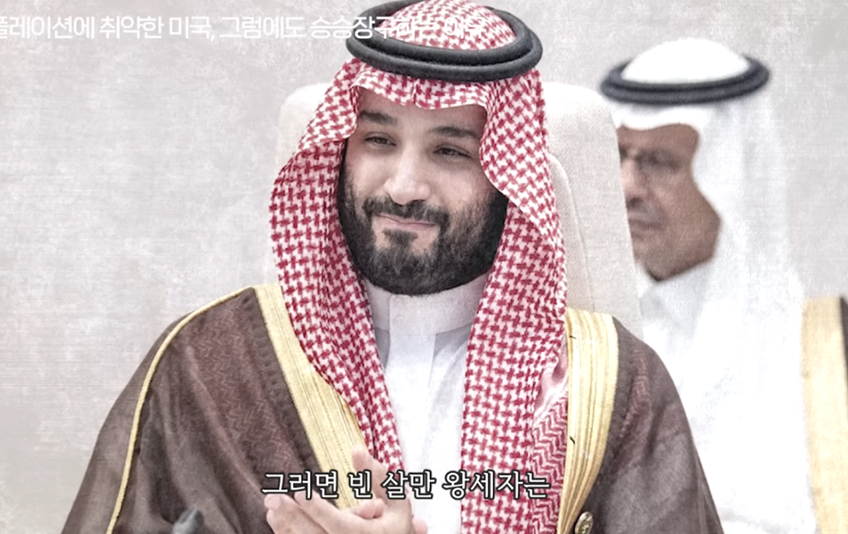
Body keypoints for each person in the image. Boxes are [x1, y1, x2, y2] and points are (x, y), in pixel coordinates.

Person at [63, 3, 722, 533]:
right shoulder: (211, 365)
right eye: (378, 140)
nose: (404, 186)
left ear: (509, 178)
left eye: (450, 151)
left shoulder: (612, 388)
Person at [600, 38, 818, 534]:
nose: (627, 187)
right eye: (620, 155)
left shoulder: (805, 352)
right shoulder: (580, 322)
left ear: (732, 177)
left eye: (660, 163)